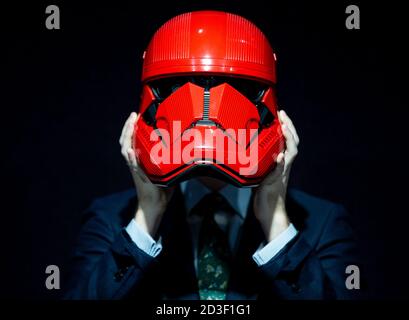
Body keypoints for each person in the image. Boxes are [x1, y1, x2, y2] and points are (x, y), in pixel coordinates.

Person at [64, 11, 361, 300]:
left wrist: (276, 222)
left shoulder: (321, 224)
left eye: (238, 89)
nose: (206, 110)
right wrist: (146, 217)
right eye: (178, 87)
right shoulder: (111, 220)